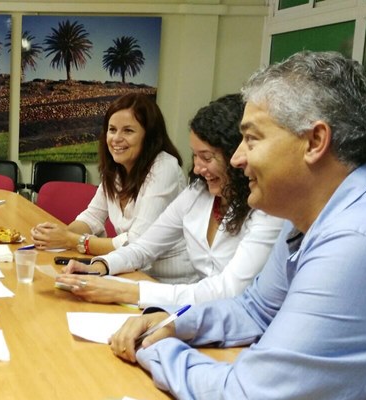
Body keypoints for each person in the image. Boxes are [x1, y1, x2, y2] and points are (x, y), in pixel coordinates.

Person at [109, 51, 366, 400]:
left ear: (315, 141)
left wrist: (155, 349)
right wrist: (172, 323)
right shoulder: (309, 218)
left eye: (251, 139)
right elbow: (255, 309)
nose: (237, 158)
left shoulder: (360, 240)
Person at [58, 95, 284, 308]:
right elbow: (144, 246)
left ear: (236, 155)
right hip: (196, 308)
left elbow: (229, 290)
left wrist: (128, 291)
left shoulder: (268, 209)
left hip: (230, 316)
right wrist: (101, 266)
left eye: (206, 157)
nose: (197, 168)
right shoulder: (197, 193)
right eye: (195, 155)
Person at [31, 93, 194, 283]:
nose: (116, 138)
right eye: (112, 130)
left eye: (128, 131)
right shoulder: (117, 169)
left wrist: (71, 239)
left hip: (168, 282)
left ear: (149, 136)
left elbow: (136, 242)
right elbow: (92, 217)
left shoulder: (164, 168)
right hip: (129, 272)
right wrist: (56, 234)